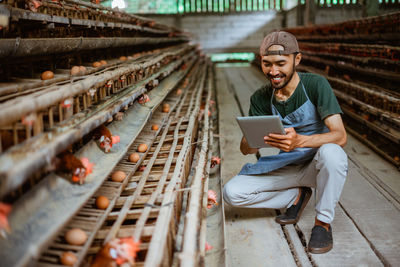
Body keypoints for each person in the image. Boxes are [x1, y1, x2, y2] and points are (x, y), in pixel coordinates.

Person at [222, 31, 348, 254]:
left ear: (296, 60)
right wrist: (254, 139)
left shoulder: (316, 85)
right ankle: (296, 196)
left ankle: (322, 223)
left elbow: (340, 135)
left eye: (281, 63)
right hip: (286, 167)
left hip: (315, 166)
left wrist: (301, 140)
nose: (273, 71)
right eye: (267, 64)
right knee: (232, 193)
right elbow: (245, 149)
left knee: (333, 153)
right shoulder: (260, 98)